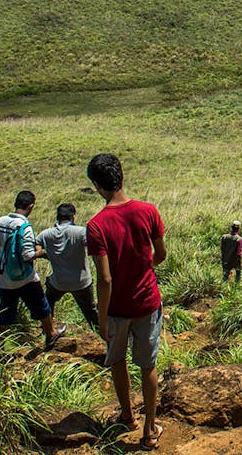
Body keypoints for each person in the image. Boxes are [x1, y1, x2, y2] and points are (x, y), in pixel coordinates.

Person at [86, 153, 168, 450]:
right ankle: (149, 429)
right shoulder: (148, 211)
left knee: (117, 361)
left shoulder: (96, 225)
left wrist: (102, 316)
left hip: (117, 308)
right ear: (122, 176)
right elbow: (161, 254)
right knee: (148, 365)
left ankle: (128, 417)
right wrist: (147, 266)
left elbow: (105, 279)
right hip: (146, 302)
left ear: (96, 185)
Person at [0, 190, 66, 348]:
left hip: (3, 277)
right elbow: (27, 255)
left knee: (5, 309)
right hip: (25, 277)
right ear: (31, 207)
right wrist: (42, 253)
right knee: (41, 304)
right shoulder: (24, 227)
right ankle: (51, 334)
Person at [37, 203, 99, 330]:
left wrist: (45, 254)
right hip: (81, 282)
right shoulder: (80, 232)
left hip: (58, 282)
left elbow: (35, 244)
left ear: (57, 217)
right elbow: (95, 244)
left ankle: (48, 327)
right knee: (91, 312)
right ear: (73, 217)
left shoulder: (47, 234)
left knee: (48, 299)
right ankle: (105, 335)